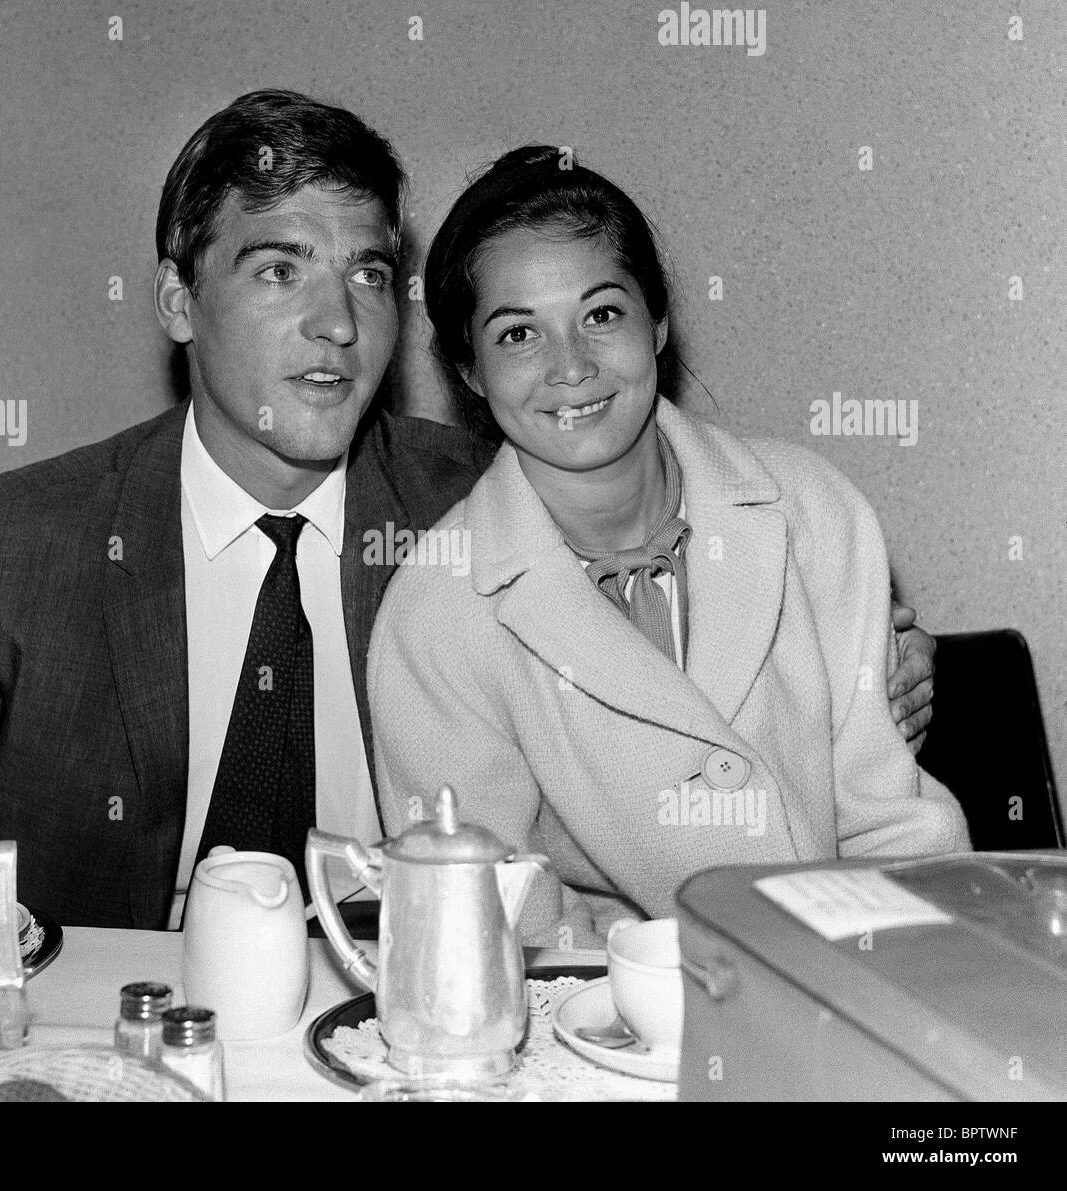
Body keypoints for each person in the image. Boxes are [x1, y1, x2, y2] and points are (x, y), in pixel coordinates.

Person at [0, 95, 938, 930]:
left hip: (408, 1005)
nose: (339, 323)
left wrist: (876, 665)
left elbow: (716, 594)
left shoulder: (480, 509)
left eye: (372, 274)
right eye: (279, 271)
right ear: (179, 300)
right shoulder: (17, 543)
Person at [368, 146, 970, 948]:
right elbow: (491, 915)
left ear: (657, 322)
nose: (572, 366)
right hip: (598, 1026)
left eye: (602, 314)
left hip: (844, 985)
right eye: (518, 334)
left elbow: (891, 824)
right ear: (469, 370)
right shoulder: (436, 611)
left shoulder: (814, 512)